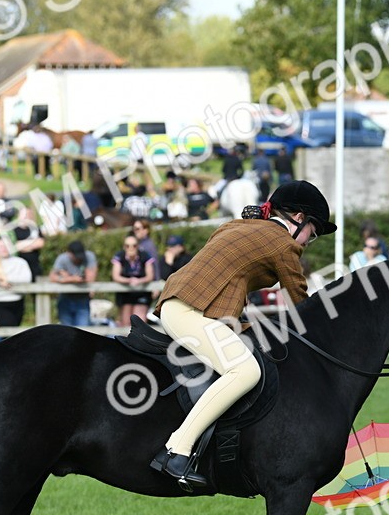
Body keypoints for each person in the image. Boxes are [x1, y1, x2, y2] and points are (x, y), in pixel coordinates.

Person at [149, 179, 329, 486]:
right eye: (312, 233)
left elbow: (228, 280)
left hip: (184, 303)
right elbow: (301, 303)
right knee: (246, 372)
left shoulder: (236, 225)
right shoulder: (283, 244)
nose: (308, 242)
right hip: (188, 310)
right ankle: (176, 451)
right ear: (299, 218)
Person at [50, 240, 98, 327]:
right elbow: (52, 277)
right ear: (69, 253)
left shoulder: (89, 256)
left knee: (83, 330)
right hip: (65, 299)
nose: (78, 259)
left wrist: (66, 276)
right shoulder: (62, 259)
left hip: (83, 299)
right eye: (76, 256)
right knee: (66, 330)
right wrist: (70, 279)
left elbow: (90, 278)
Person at [111, 235, 157, 327]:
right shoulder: (119, 256)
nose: (131, 248)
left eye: (134, 245)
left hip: (141, 292)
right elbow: (115, 276)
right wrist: (129, 280)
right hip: (125, 292)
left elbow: (150, 276)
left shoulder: (145, 255)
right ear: (124, 247)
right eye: (127, 246)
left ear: (138, 246)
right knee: (126, 323)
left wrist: (139, 281)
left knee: (139, 323)